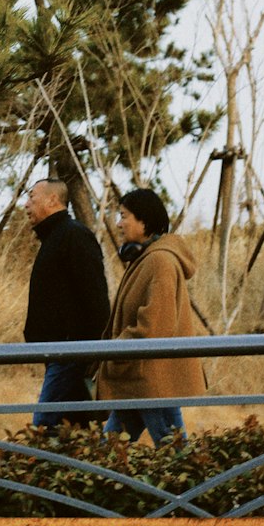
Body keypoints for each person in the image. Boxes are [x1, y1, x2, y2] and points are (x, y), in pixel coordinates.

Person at [97, 188, 207, 443]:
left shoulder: (159, 262)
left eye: (124, 216)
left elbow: (155, 325)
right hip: (141, 377)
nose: (119, 223)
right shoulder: (146, 259)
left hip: (152, 379)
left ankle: (193, 485)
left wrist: (114, 350)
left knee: (175, 453)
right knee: (110, 448)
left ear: (143, 221)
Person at [23, 177, 110, 427]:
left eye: (32, 197)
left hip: (70, 353)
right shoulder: (54, 238)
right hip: (59, 354)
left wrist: (91, 354)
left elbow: (96, 299)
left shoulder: (74, 237)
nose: (26, 205)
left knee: (45, 424)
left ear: (52, 200)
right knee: (74, 426)